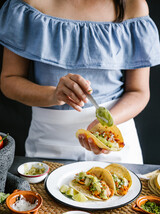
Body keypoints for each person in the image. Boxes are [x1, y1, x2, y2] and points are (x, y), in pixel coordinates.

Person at [0, 0, 160, 163]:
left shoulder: (133, 5)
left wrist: (103, 124)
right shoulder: (29, 3)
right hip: (48, 142)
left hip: (114, 139)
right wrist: (54, 95)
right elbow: (9, 81)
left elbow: (138, 92)